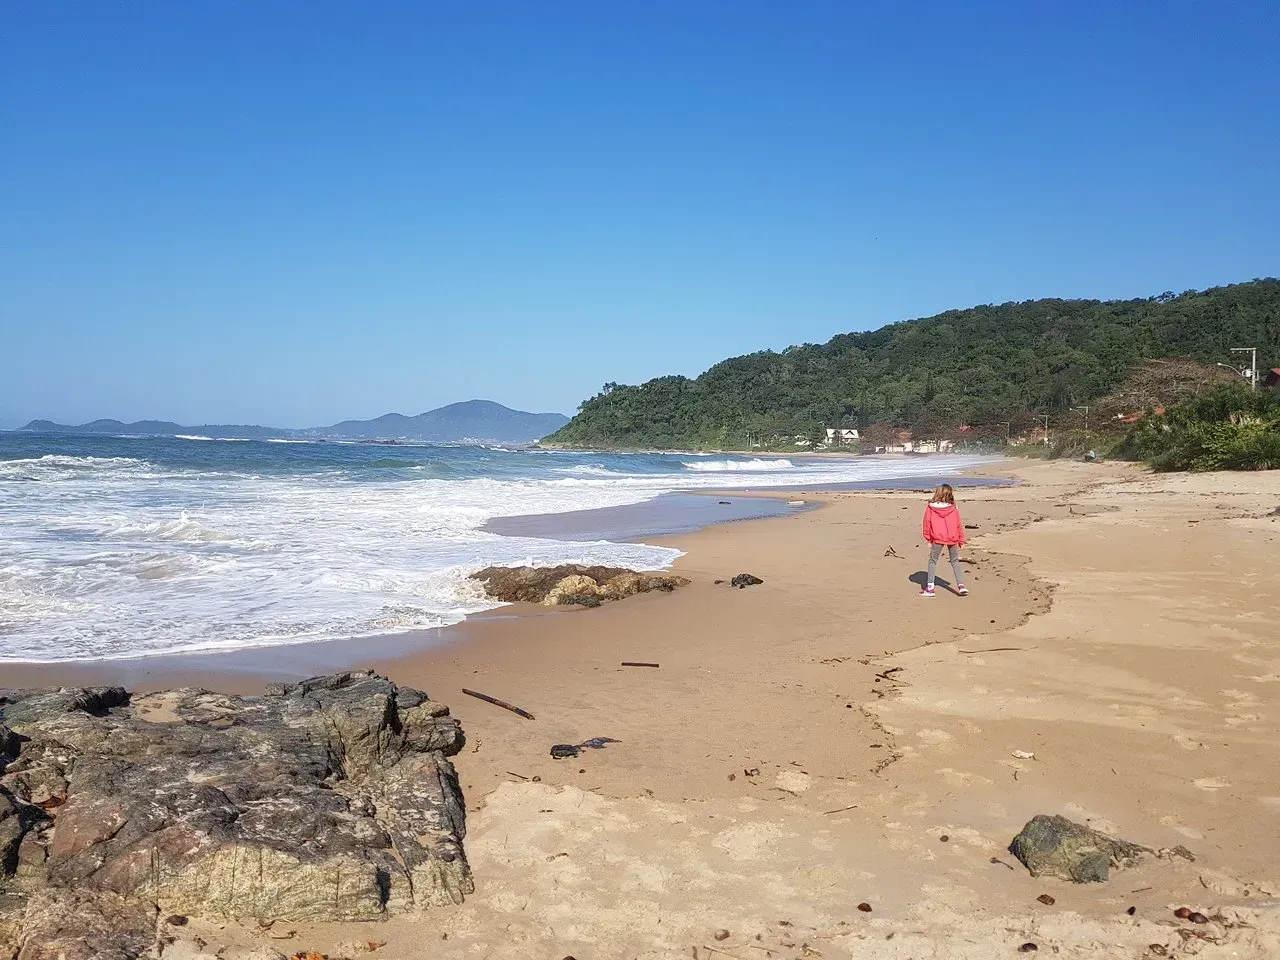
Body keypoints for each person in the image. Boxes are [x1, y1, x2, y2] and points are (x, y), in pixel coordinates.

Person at [920, 483, 967, 597]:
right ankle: (961, 585)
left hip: (938, 538)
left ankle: (930, 588)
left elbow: (926, 524)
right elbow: (958, 524)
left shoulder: (931, 507)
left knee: (932, 561)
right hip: (952, 537)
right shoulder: (953, 507)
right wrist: (961, 540)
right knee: (954, 561)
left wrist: (928, 539)